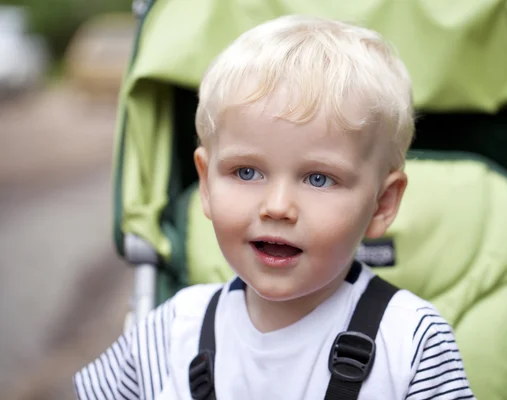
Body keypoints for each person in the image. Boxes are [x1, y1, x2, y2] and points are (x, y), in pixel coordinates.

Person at [73, 15, 475, 400]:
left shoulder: (411, 341)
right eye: (246, 172)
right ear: (207, 183)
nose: (278, 207)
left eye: (319, 178)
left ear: (381, 204)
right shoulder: (173, 330)